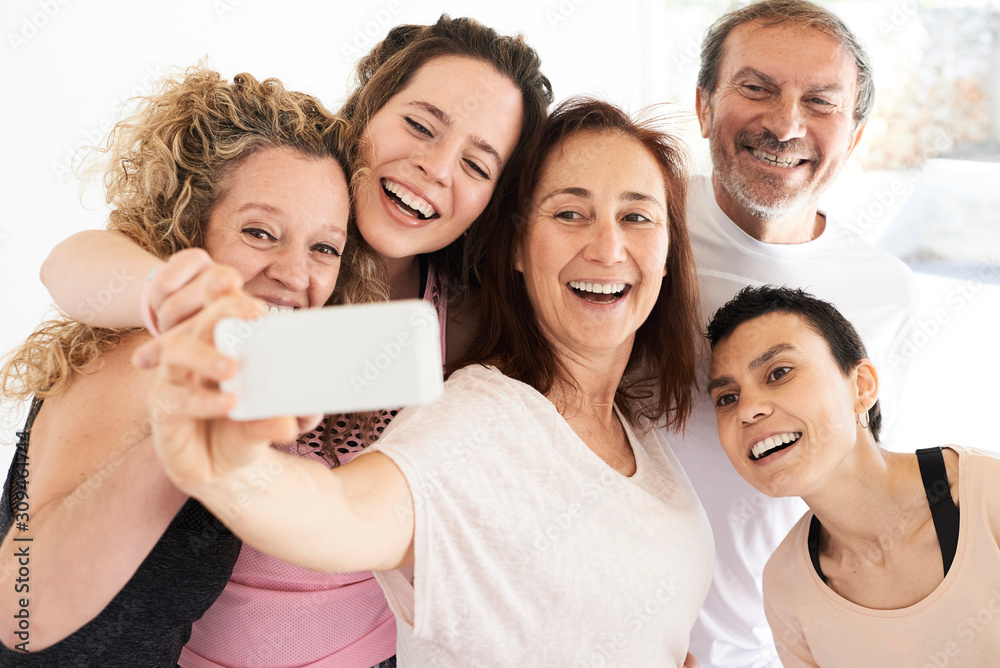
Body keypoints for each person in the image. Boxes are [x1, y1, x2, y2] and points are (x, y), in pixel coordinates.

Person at [40, 16, 553, 667]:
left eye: (477, 165)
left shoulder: (464, 320)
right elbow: (71, 264)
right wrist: (172, 295)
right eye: (421, 126)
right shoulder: (265, 248)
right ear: (365, 112)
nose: (436, 167)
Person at [142, 98, 713, 667]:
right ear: (517, 247)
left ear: (667, 253)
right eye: (569, 213)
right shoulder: (482, 417)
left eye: (637, 217)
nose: (608, 248)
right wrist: (228, 466)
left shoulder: (636, 427)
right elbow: (346, 513)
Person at [0, 67, 356, 664]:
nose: (296, 274)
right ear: (193, 226)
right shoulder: (147, 363)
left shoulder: (224, 369)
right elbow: (23, 607)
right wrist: (178, 444)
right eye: (260, 232)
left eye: (324, 247)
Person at [664, 2, 921, 666]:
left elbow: (859, 495)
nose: (785, 124)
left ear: (854, 135)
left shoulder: (884, 292)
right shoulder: (639, 225)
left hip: (766, 651)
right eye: (756, 88)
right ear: (703, 105)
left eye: (821, 101)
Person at [705, 285, 1000, 666]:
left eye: (779, 373)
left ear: (861, 386)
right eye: (727, 398)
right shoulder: (786, 588)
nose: (748, 410)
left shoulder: (989, 496)